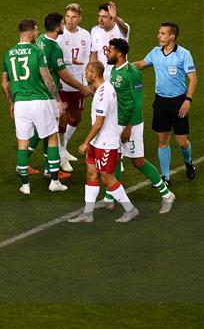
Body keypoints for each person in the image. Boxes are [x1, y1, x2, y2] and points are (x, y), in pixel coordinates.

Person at [98, 39, 175, 213]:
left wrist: (128, 127)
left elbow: (138, 102)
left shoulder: (131, 72)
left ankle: (167, 194)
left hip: (130, 125)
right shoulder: (114, 70)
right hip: (117, 123)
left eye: (110, 50)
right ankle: (109, 198)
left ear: (118, 53)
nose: (107, 53)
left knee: (138, 162)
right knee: (115, 158)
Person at [1, 18, 68, 195]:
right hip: (39, 100)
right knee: (52, 137)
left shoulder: (8, 54)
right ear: (30, 32)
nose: (37, 33)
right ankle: (54, 181)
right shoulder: (37, 52)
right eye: (36, 30)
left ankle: (25, 185)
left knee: (22, 143)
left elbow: (4, 84)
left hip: (20, 104)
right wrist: (58, 99)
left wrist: (12, 103)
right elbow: (47, 77)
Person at [69, 62, 139, 223]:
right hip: (97, 142)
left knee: (107, 178)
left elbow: (99, 123)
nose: (85, 74)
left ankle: (130, 209)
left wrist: (85, 142)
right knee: (91, 174)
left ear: (95, 74)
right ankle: (87, 214)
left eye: (87, 72)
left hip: (106, 143)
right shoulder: (103, 88)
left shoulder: (103, 94)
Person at [133, 22, 197, 183]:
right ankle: (165, 176)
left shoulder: (184, 54)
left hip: (179, 102)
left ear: (171, 37)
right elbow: (140, 64)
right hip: (161, 102)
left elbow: (193, 79)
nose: (158, 36)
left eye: (162, 33)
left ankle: (188, 162)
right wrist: (121, 66)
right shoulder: (155, 52)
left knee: (182, 142)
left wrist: (187, 100)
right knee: (163, 139)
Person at [36, 12, 93, 173]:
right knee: (53, 128)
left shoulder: (40, 39)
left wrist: (70, 62)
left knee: (53, 126)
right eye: (63, 20)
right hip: (51, 92)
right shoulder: (54, 46)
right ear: (57, 27)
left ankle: (42, 162)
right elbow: (64, 75)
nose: (66, 23)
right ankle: (53, 167)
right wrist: (82, 87)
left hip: (41, 90)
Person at [56, 3, 92, 164]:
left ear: (80, 18)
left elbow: (87, 59)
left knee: (76, 118)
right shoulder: (59, 35)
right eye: (68, 17)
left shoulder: (86, 35)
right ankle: (60, 152)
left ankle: (64, 147)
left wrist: (88, 82)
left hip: (78, 83)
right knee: (62, 117)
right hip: (62, 84)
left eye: (74, 17)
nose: (70, 20)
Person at [90, 2, 130, 82]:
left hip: (119, 77)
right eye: (99, 16)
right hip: (102, 79)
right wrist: (93, 72)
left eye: (104, 17)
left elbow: (125, 29)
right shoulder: (95, 31)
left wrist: (116, 17)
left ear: (112, 18)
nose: (100, 20)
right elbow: (94, 53)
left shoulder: (120, 29)